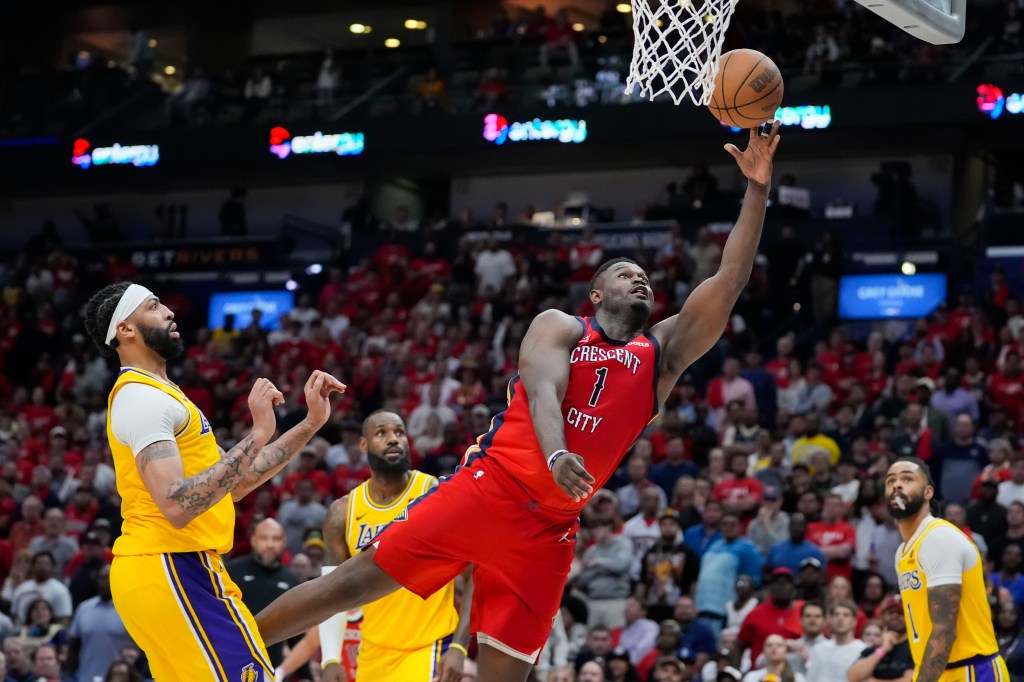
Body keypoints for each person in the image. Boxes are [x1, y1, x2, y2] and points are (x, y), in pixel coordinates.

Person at [256, 122, 783, 682]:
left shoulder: (663, 355)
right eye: (626, 274)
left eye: (646, 277)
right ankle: (225, 647)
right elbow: (543, 391)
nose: (641, 280)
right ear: (596, 294)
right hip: (490, 489)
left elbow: (729, 279)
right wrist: (556, 455)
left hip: (551, 530)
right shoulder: (559, 326)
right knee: (351, 584)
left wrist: (757, 187)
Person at [82, 282, 346, 681]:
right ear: (126, 330)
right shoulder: (140, 398)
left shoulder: (164, 395)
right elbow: (177, 504)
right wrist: (257, 434)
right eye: (154, 306)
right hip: (169, 564)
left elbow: (238, 482)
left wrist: (310, 423)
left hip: (177, 567)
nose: (170, 311)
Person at [316, 410, 472, 682]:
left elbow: (475, 576)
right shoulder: (342, 513)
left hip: (429, 648)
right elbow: (331, 591)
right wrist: (330, 657)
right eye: (382, 433)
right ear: (363, 445)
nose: (393, 439)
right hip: (372, 654)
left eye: (399, 433)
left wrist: (460, 646)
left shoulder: (434, 493)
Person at [885, 456, 1010, 682]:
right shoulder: (902, 552)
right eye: (890, 481)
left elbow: (944, 629)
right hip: (934, 670)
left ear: (928, 492)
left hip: (971, 670)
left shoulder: (938, 538)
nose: (897, 485)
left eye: (907, 479)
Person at [224, 519, 298, 668]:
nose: (270, 544)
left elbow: (296, 636)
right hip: (231, 660)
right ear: (253, 540)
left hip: (273, 667)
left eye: (276, 539)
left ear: (283, 543)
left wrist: (306, 675)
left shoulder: (291, 581)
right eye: (264, 538)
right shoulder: (231, 571)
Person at [67, 565, 134, 682]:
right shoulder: (84, 608)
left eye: (109, 577)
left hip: (120, 677)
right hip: (86, 676)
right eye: (102, 578)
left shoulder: (128, 609)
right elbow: (74, 645)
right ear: (97, 582)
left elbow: (137, 646)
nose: (106, 582)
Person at [847, 594, 915, 682]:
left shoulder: (914, 648)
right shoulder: (875, 647)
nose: (895, 615)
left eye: (900, 612)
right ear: (882, 616)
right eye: (890, 612)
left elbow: (909, 680)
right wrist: (882, 650)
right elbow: (852, 677)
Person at [805, 600, 864, 682]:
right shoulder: (819, 649)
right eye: (836, 614)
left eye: (846, 615)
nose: (840, 618)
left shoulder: (862, 650)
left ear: (854, 621)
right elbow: (810, 679)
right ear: (830, 620)